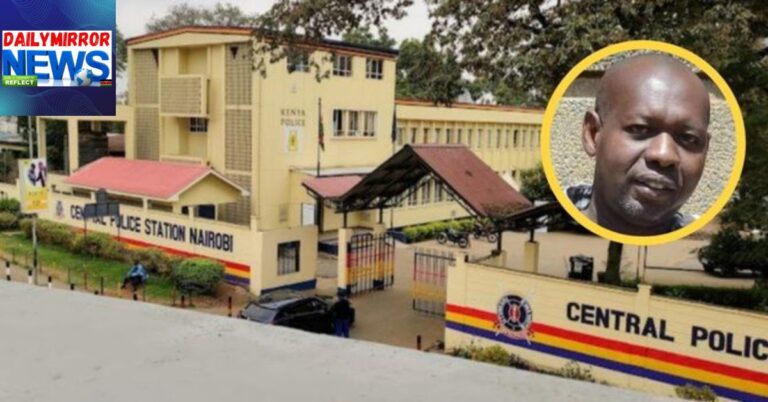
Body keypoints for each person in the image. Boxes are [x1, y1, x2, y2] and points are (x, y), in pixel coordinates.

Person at [569, 53, 711, 236]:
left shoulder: (701, 236)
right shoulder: (549, 217)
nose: (664, 155)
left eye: (689, 138)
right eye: (639, 129)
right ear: (593, 133)